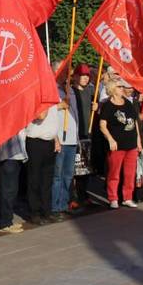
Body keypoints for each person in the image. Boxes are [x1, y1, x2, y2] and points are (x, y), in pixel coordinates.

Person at [98, 78, 141, 207]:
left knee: (129, 173)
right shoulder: (108, 105)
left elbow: (134, 122)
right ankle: (113, 198)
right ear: (112, 90)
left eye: (122, 86)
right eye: (119, 87)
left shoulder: (128, 103)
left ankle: (127, 197)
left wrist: (138, 140)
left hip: (131, 143)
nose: (122, 88)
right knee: (114, 172)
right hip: (117, 145)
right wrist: (110, 139)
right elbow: (102, 125)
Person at [25, 103, 61, 224]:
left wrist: (56, 139)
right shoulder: (35, 95)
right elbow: (41, 116)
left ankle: (46, 211)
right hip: (35, 141)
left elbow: (52, 122)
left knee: (47, 179)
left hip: (49, 141)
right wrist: (45, 103)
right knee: (34, 178)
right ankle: (34, 212)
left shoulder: (54, 97)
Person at [52, 63, 80, 218]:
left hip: (71, 139)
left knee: (68, 175)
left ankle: (64, 204)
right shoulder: (51, 89)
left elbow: (75, 113)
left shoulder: (70, 90)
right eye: (63, 71)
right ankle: (54, 206)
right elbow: (45, 110)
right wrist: (60, 105)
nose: (67, 74)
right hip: (59, 138)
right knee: (57, 175)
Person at [0, 132, 25, 233]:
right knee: (7, 190)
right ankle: (4, 223)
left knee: (12, 190)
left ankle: (8, 220)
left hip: (17, 154)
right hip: (8, 154)